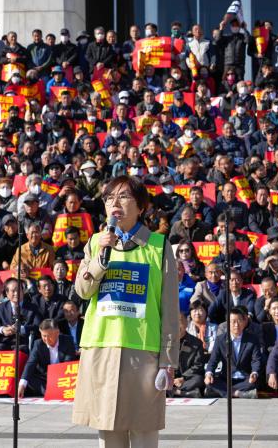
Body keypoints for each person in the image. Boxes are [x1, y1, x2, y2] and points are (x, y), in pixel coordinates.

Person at [72, 176, 178, 448]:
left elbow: (169, 307)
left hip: (143, 354)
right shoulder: (97, 242)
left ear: (141, 206)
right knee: (108, 435)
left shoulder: (159, 246)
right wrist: (100, 258)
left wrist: (168, 360)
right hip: (101, 349)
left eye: (123, 197)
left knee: (144, 433)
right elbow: (83, 290)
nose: (114, 203)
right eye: (109, 198)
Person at [204, 306, 262, 399]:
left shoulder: (252, 339)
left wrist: (254, 373)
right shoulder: (221, 339)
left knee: (255, 382)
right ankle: (238, 393)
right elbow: (213, 360)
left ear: (244, 321)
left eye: (239, 320)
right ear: (228, 323)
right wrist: (209, 373)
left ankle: (223, 392)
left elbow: (256, 360)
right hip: (226, 378)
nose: (236, 324)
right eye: (233, 321)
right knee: (210, 382)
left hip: (245, 378)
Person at [18, 319, 77, 397]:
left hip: (63, 377)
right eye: (44, 336)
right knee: (29, 378)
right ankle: (49, 392)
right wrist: (22, 384)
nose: (46, 339)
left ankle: (54, 391)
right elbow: (30, 364)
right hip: (44, 378)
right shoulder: (38, 344)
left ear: (57, 332)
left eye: (49, 335)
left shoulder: (67, 341)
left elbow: (68, 363)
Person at [171, 312, 205, 398]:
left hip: (187, 379)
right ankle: (182, 393)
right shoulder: (165, 342)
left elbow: (198, 365)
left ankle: (171, 392)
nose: (177, 326)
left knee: (199, 379)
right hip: (170, 378)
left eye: (179, 321)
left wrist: (183, 378)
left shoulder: (196, 343)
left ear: (186, 323)